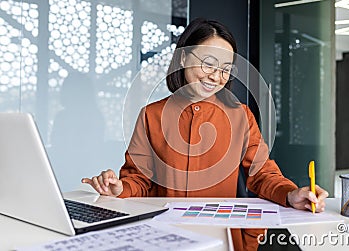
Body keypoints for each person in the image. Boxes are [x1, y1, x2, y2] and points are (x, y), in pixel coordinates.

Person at [82, 18, 328, 249]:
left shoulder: (240, 116)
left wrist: (290, 194)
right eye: (208, 64)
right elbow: (140, 178)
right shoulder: (151, 115)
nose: (216, 76)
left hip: (220, 237)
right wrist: (120, 188)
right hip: (163, 236)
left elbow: (263, 174)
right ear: (183, 59)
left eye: (225, 69)